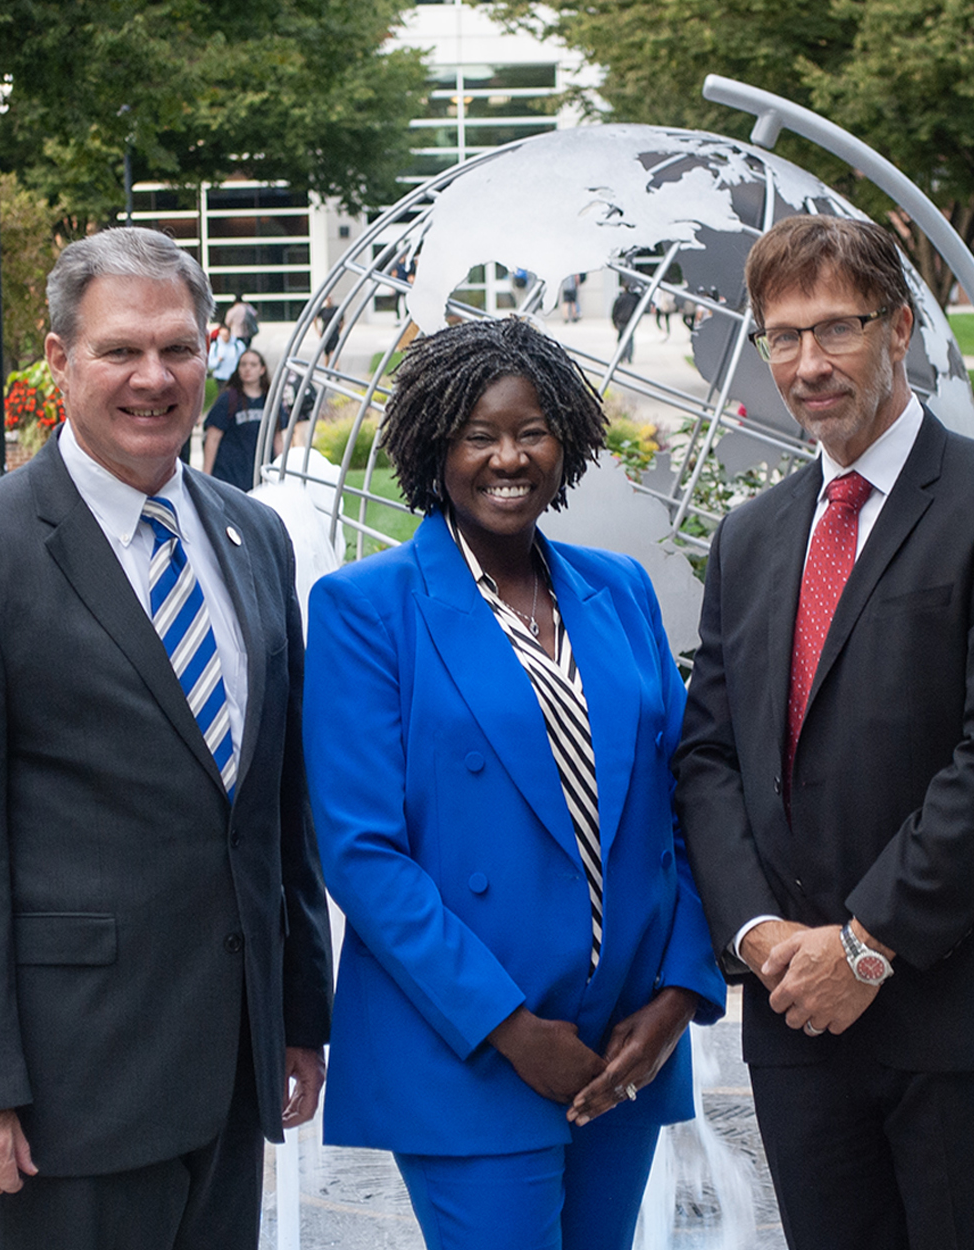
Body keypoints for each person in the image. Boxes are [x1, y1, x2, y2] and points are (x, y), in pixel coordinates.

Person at [0, 227, 332, 1250]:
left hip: (229, 1071)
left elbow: (275, 804)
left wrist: (300, 1012)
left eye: (178, 347)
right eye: (120, 349)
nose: (153, 377)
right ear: (58, 359)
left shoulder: (255, 536)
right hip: (65, 1096)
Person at [673, 215, 974, 1250]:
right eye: (781, 336)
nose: (807, 364)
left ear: (900, 328)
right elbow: (710, 755)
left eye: (836, 329)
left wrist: (864, 945)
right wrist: (762, 936)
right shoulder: (753, 535)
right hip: (803, 1031)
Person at [303, 316, 725, 1250]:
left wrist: (677, 996)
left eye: (530, 430)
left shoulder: (618, 589)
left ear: (564, 441)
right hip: (473, 1046)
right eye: (477, 435)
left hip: (622, 1040)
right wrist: (507, 1027)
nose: (508, 457)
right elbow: (362, 854)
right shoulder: (364, 608)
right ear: (431, 447)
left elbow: (681, 801)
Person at [202, 348, 270, 491]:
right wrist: (206, 477)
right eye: (243, 364)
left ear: (262, 369)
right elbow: (212, 438)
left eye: (253, 365)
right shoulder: (228, 399)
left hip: (261, 478)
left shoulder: (270, 401)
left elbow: (278, 438)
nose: (247, 369)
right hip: (230, 478)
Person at [611, 283, 641, 364]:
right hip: (630, 320)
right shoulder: (634, 299)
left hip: (621, 320)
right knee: (629, 339)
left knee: (621, 339)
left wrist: (614, 321)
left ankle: (621, 356)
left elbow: (614, 311)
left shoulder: (620, 298)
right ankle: (628, 357)